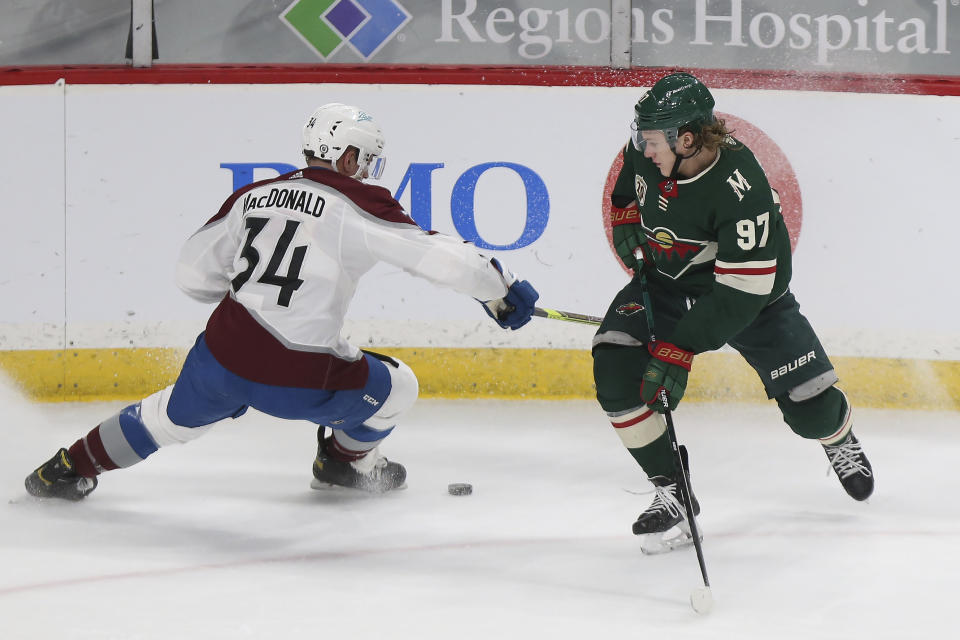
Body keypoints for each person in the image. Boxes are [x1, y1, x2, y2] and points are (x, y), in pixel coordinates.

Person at [25, 103, 539, 500]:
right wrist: (499, 291)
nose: (368, 169)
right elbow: (445, 259)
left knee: (165, 419)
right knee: (399, 385)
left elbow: (191, 273)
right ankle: (344, 465)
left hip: (219, 358)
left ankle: (66, 469)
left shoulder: (253, 195)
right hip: (303, 378)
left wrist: (245, 303)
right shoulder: (360, 202)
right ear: (347, 156)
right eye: (366, 158)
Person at [592, 72, 874, 554]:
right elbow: (627, 180)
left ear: (686, 138)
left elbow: (742, 292)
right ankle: (674, 489)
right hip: (664, 282)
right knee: (615, 366)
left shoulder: (740, 189)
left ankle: (838, 434)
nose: (642, 146)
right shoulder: (648, 146)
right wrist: (623, 216)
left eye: (653, 139)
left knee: (811, 408)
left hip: (752, 297)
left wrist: (680, 348)